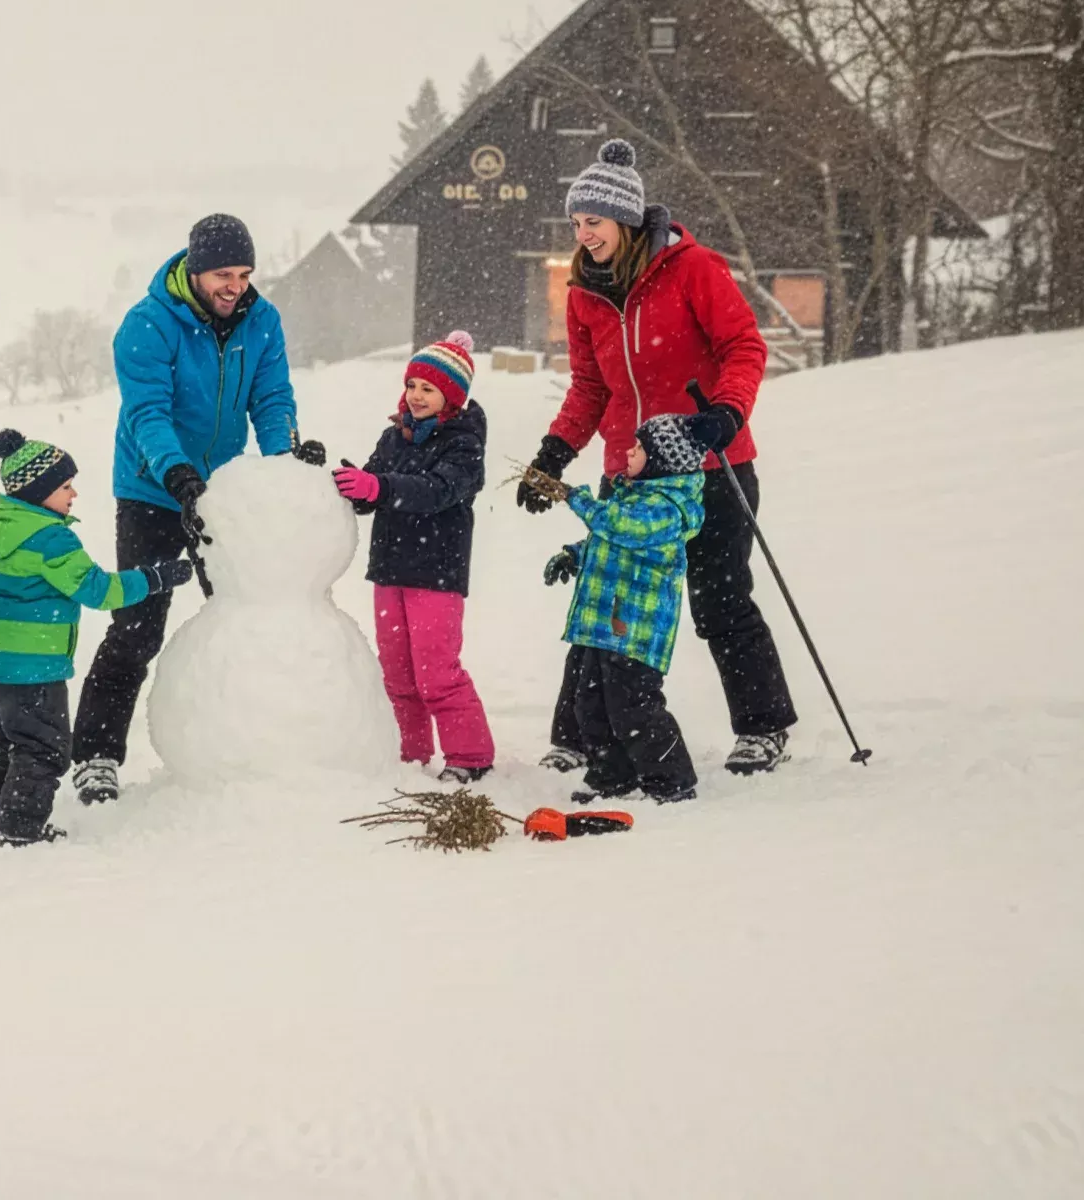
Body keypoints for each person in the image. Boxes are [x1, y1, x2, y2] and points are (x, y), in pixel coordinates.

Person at [518, 140, 799, 776]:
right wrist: (553, 454)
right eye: (576, 223)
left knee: (721, 600)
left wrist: (725, 414)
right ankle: (580, 736)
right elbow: (591, 386)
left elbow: (743, 347)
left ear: (626, 219)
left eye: (594, 221)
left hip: (709, 465)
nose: (583, 235)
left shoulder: (692, 268)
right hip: (633, 474)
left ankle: (763, 727)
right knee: (605, 602)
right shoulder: (585, 292)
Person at [71, 212, 322, 805]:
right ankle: (97, 755)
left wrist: (284, 457)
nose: (234, 286)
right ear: (194, 269)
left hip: (223, 491)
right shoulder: (149, 324)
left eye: (243, 273)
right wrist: (177, 472)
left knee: (246, 611)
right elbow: (147, 412)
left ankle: (250, 740)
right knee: (137, 627)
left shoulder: (262, 321)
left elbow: (272, 396)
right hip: (151, 490)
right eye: (222, 275)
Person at [0, 431, 196, 846]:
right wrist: (155, 578)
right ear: (39, 492)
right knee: (44, 747)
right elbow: (97, 590)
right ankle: (21, 828)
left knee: (6, 739)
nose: (74, 494)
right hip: (34, 664)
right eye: (65, 486)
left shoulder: (4, 530)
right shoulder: (51, 538)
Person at [332, 331, 493, 783]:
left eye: (428, 388)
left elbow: (438, 491)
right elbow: (371, 488)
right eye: (412, 386)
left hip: (436, 572)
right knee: (398, 676)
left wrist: (379, 488)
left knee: (436, 673)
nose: (416, 396)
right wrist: (349, 483)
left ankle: (470, 755)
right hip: (390, 569)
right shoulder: (394, 437)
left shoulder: (463, 444)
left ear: (451, 396)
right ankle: (411, 756)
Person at [545, 414, 713, 804]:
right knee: (589, 702)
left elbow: (624, 529)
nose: (628, 451)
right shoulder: (632, 497)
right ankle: (612, 776)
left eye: (638, 448)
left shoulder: (668, 507)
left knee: (633, 707)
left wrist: (579, 498)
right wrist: (575, 555)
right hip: (603, 624)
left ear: (661, 461)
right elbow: (610, 540)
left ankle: (672, 780)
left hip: (636, 628)